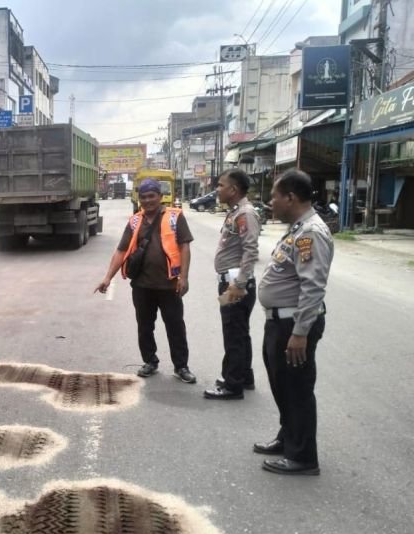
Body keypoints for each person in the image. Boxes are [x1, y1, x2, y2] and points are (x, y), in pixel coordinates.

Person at [253, 169, 334, 476]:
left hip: (293, 326)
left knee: (297, 389)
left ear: (290, 197)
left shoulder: (310, 232)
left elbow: (313, 286)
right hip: (280, 323)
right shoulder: (298, 229)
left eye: (274, 196)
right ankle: (288, 438)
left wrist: (300, 333)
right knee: (282, 386)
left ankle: (302, 457)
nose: (270, 202)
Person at [94, 178, 196, 384]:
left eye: (152, 196)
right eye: (143, 197)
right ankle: (150, 361)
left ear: (159, 197)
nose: (148, 201)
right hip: (142, 286)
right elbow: (121, 250)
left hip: (169, 284)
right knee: (145, 326)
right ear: (139, 199)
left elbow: (185, 247)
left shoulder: (175, 217)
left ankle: (181, 366)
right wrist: (107, 277)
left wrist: (183, 277)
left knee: (175, 326)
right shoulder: (134, 221)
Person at [204, 169, 261, 400]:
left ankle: (232, 384)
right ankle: (243, 375)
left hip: (235, 284)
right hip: (233, 281)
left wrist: (239, 284)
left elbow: (251, 250)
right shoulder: (236, 212)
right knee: (240, 331)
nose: (217, 189)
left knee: (233, 334)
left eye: (220, 185)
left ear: (233, 189)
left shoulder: (245, 214)